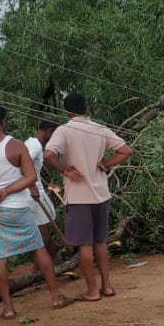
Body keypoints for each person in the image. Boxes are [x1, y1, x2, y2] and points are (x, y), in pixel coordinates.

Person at [0, 103, 74, 319]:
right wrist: (7, 191)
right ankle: (55, 298)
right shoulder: (16, 146)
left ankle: (8, 308)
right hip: (18, 208)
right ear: (3, 121)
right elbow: (31, 177)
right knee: (38, 249)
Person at [44, 92, 132, 302]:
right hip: (101, 194)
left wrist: (65, 170)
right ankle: (107, 286)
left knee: (84, 245)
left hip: (79, 197)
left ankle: (92, 291)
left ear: (67, 112)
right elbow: (125, 151)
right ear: (87, 109)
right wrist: (106, 163)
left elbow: (48, 154)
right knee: (100, 241)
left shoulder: (64, 131)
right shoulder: (100, 129)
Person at [24, 118, 59, 256]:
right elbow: (23, 165)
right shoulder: (36, 146)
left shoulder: (29, 142)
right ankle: (42, 267)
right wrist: (32, 187)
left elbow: (31, 170)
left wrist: (46, 183)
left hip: (32, 191)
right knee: (43, 234)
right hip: (33, 194)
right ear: (49, 131)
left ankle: (54, 261)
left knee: (42, 230)